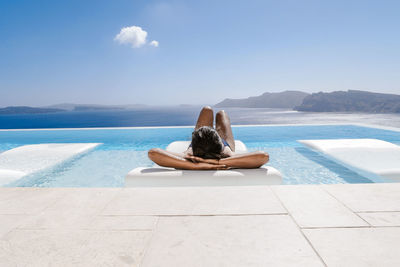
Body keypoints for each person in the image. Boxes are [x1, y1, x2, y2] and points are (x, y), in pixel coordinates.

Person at [148, 106, 269, 170]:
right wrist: (217, 162)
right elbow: (263, 156)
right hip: (218, 149)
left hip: (201, 147)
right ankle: (216, 124)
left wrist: (196, 165)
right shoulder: (227, 155)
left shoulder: (190, 156)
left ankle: (206, 131)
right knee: (222, 114)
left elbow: (153, 153)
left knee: (207, 110)